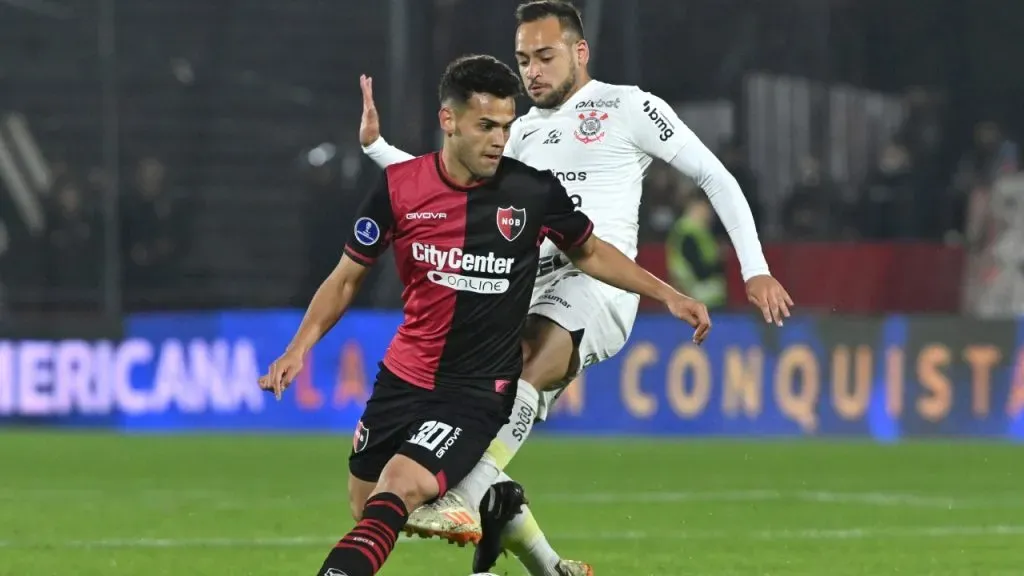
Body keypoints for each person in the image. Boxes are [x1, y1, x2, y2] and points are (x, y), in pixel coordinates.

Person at [358, 1, 793, 575]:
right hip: (526, 288)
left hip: (598, 284)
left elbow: (714, 174)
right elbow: (445, 174)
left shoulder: (628, 106)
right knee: (474, 405)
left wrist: (754, 265)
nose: (532, 71)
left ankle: (465, 497)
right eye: (523, 60)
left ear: (578, 53)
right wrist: (377, 149)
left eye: (544, 57)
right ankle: (539, 553)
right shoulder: (523, 132)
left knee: (523, 364)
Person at [258, 54, 711, 576]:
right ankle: (504, 509)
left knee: (399, 488)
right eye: (486, 126)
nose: (500, 139)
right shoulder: (399, 190)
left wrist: (668, 295)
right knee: (366, 506)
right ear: (448, 121)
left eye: (507, 126)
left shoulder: (530, 191)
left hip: (475, 391)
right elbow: (345, 278)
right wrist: (298, 348)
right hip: (403, 378)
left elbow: (591, 252)